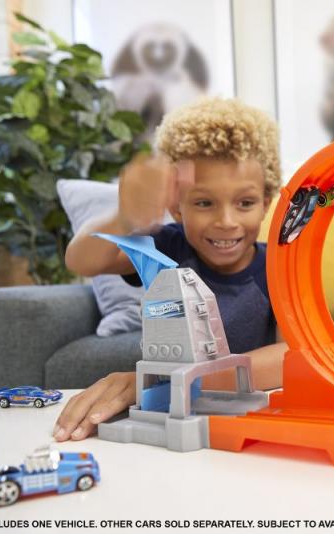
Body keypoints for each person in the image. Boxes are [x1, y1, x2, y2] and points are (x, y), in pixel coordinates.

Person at [54, 98, 285, 442]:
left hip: (246, 418)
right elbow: (82, 260)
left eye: (245, 203)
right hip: (170, 417)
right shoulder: (166, 247)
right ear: (177, 207)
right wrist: (123, 217)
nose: (226, 221)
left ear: (266, 203)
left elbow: (288, 357)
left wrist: (174, 383)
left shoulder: (279, 267)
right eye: (204, 203)